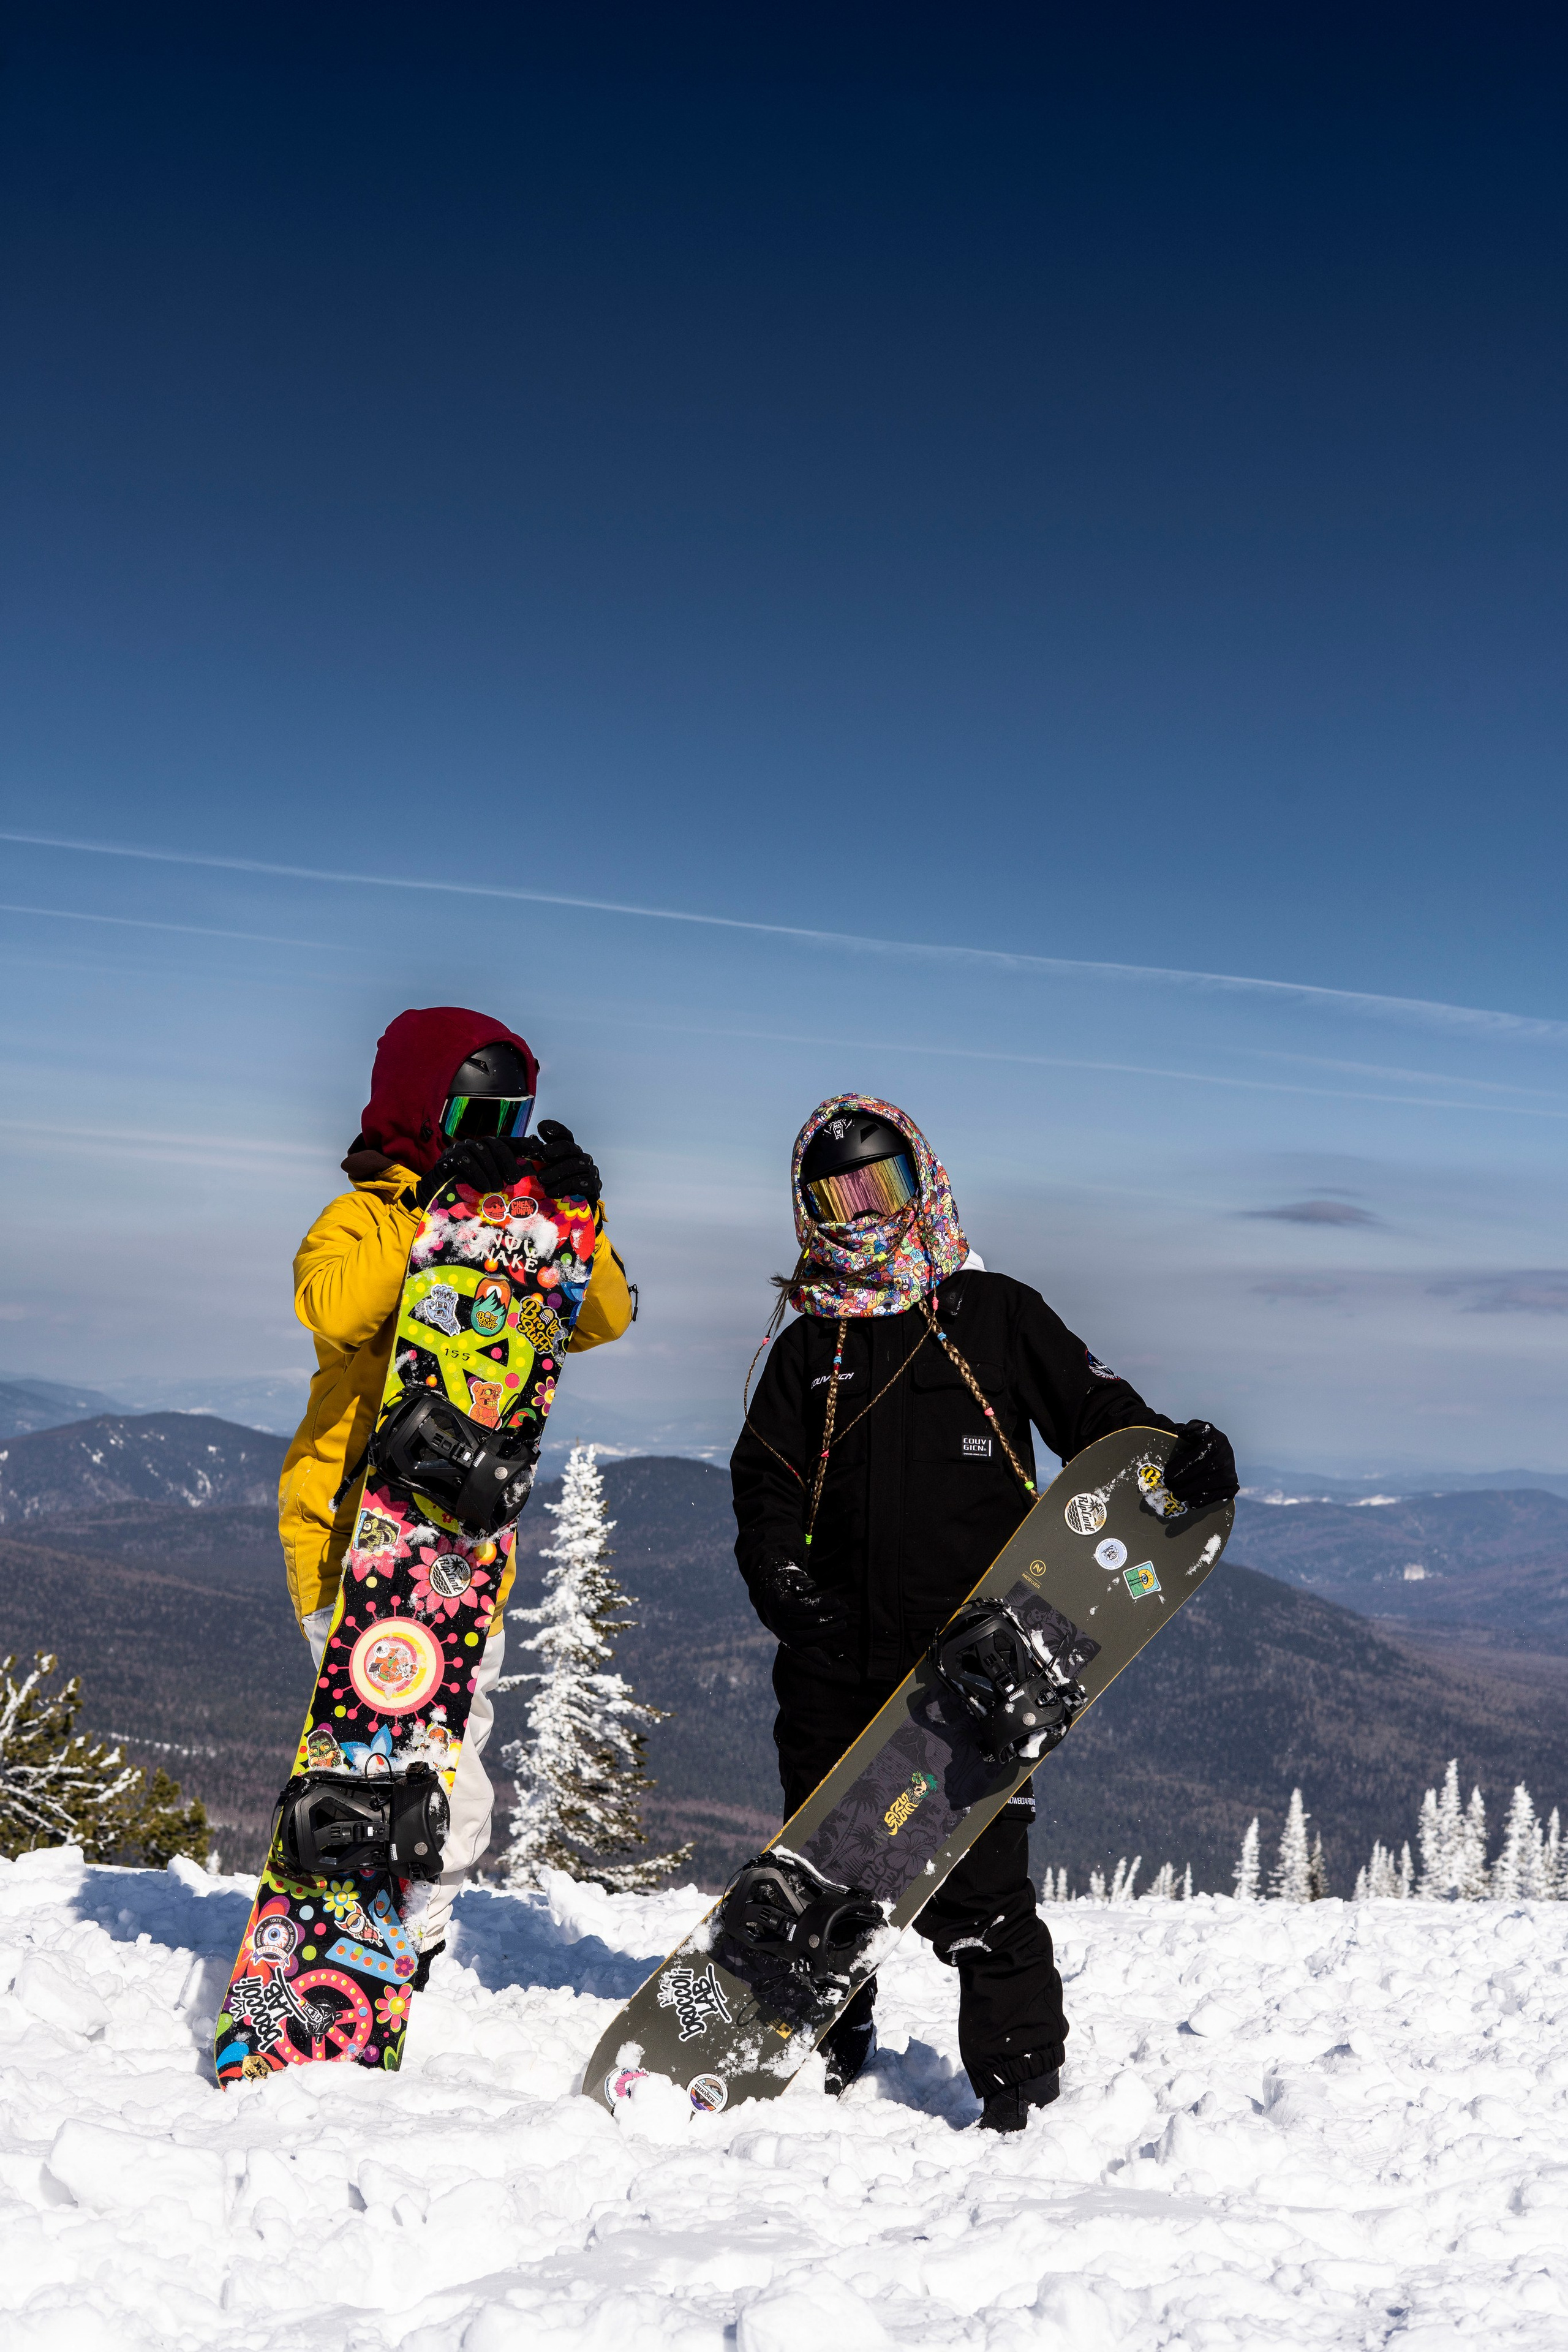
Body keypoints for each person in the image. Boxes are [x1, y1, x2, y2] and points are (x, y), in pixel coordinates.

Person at [729, 1093, 1237, 2132]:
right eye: (839, 1195)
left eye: (884, 1186)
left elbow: (1098, 1415)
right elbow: (765, 1484)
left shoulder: (995, 1316)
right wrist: (779, 1579)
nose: (864, 1213)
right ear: (806, 1209)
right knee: (825, 1875)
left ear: (923, 1181)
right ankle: (830, 2060)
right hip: (830, 1661)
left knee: (985, 1901)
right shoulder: (806, 1348)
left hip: (975, 1675)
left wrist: (1172, 1456)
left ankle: (1024, 2100)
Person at [278, 1005, 635, 1978]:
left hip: (462, 1548)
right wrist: (435, 1207)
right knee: (384, 1754)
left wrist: (572, 1221)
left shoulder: (514, 1230)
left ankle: (408, 1934)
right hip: (353, 1538)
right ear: (422, 1116)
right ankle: (360, 1923)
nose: (497, 1147)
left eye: (513, 1126)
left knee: (453, 1772)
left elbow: (603, 1316)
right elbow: (335, 1304)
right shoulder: (364, 1215)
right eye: (480, 1124)